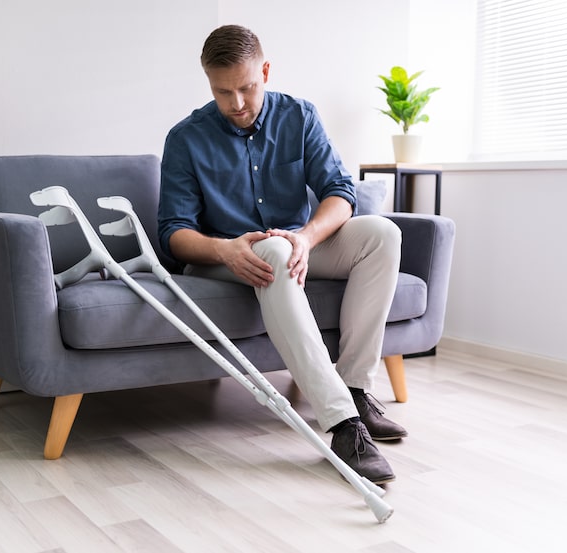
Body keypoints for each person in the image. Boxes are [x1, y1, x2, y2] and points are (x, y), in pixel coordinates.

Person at [158, 24, 405, 484]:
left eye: (247, 88)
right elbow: (173, 232)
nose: (236, 104)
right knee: (271, 246)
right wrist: (225, 249)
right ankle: (343, 424)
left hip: (291, 247)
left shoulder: (300, 117)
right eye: (222, 92)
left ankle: (355, 389)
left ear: (265, 71)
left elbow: (339, 192)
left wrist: (307, 238)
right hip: (222, 258)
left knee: (382, 234)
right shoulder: (185, 139)